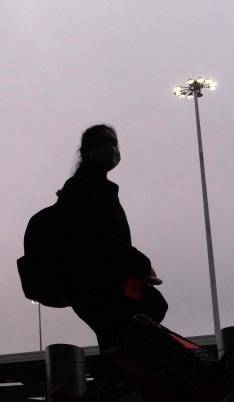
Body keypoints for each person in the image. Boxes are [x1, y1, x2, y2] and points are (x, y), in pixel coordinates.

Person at [58, 124, 167, 351]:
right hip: (98, 285)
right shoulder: (80, 188)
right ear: (85, 151)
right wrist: (141, 264)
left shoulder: (101, 189)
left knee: (126, 336)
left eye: (113, 142)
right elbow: (95, 238)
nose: (109, 147)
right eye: (101, 142)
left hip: (109, 282)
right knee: (147, 313)